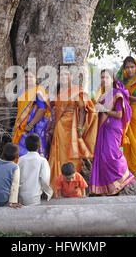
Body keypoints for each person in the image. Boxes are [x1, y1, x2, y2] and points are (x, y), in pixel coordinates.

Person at [48, 66, 98, 195]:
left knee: (72, 155)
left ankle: (74, 188)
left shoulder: (77, 91)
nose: (63, 77)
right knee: (58, 156)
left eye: (66, 75)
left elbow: (83, 110)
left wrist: (80, 127)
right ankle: (58, 188)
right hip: (60, 128)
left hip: (72, 127)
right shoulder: (59, 93)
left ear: (71, 76)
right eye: (61, 75)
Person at [89, 70, 135, 195]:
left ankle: (123, 177)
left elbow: (119, 114)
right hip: (102, 127)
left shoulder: (117, 94)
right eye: (102, 77)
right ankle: (108, 186)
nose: (104, 80)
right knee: (102, 155)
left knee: (111, 154)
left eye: (107, 77)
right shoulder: (102, 95)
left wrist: (103, 109)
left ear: (113, 79)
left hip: (113, 127)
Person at [12, 70, 52, 158]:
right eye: (25, 77)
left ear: (35, 79)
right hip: (21, 125)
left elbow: (42, 110)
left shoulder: (38, 91)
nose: (28, 79)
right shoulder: (22, 91)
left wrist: (30, 125)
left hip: (33, 127)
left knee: (33, 151)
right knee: (19, 151)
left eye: (30, 77)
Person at [18, 133, 53, 205]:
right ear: (39, 146)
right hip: (34, 197)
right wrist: (48, 192)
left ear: (25, 145)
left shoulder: (21, 159)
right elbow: (45, 179)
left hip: (20, 197)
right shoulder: (42, 161)